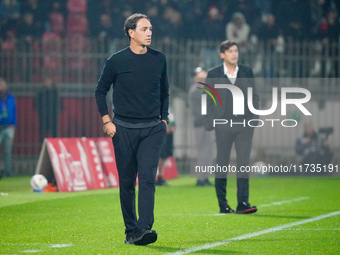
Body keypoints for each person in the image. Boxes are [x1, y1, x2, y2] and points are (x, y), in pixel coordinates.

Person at [95, 13, 169, 246]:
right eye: (144, 29)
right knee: (127, 182)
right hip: (123, 129)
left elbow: (164, 92)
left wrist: (164, 120)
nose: (149, 33)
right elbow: (100, 91)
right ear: (131, 32)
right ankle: (131, 231)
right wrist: (107, 121)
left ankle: (144, 228)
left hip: (152, 129)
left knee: (147, 179)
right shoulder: (116, 61)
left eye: (150, 29)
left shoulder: (159, 59)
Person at [205, 40, 259, 214]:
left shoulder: (247, 72)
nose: (234, 53)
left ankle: (243, 203)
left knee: (243, 164)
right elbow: (208, 99)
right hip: (223, 125)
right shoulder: (213, 73)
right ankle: (223, 205)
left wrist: (253, 118)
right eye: (230, 51)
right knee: (222, 164)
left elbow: (254, 96)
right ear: (222, 55)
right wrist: (211, 121)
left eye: (236, 50)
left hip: (244, 125)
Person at [189, 67, 214, 187]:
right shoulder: (197, 91)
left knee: (207, 152)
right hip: (202, 124)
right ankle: (201, 178)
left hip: (205, 124)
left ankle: (204, 177)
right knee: (204, 152)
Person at [34, 77, 62, 142]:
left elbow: (59, 104)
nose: (48, 83)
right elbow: (36, 103)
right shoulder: (41, 92)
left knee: (54, 134)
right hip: (43, 116)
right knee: (43, 135)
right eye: (46, 82)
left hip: (53, 117)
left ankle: (54, 148)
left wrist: (57, 112)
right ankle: (43, 148)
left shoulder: (55, 91)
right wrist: (40, 112)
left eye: (49, 82)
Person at [0, 78, 17, 177]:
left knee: (8, 151)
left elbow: (14, 111)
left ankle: (8, 171)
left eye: (2, 84)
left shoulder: (10, 97)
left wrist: (14, 124)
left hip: (9, 127)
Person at [156, 106, 175, 186]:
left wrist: (172, 126)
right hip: (161, 131)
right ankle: (156, 176)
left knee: (165, 155)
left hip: (169, 133)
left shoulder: (168, 105)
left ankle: (161, 176)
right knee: (160, 155)